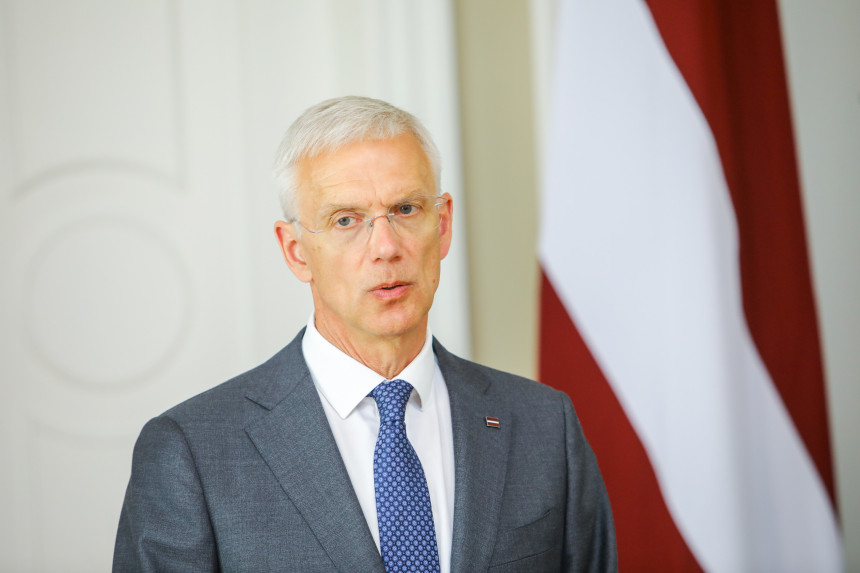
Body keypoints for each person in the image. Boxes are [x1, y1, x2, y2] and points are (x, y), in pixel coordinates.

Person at [113, 96, 617, 573]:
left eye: (406, 210)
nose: (385, 247)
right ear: (295, 251)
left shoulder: (545, 425)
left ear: (442, 225)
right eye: (346, 220)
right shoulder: (191, 451)